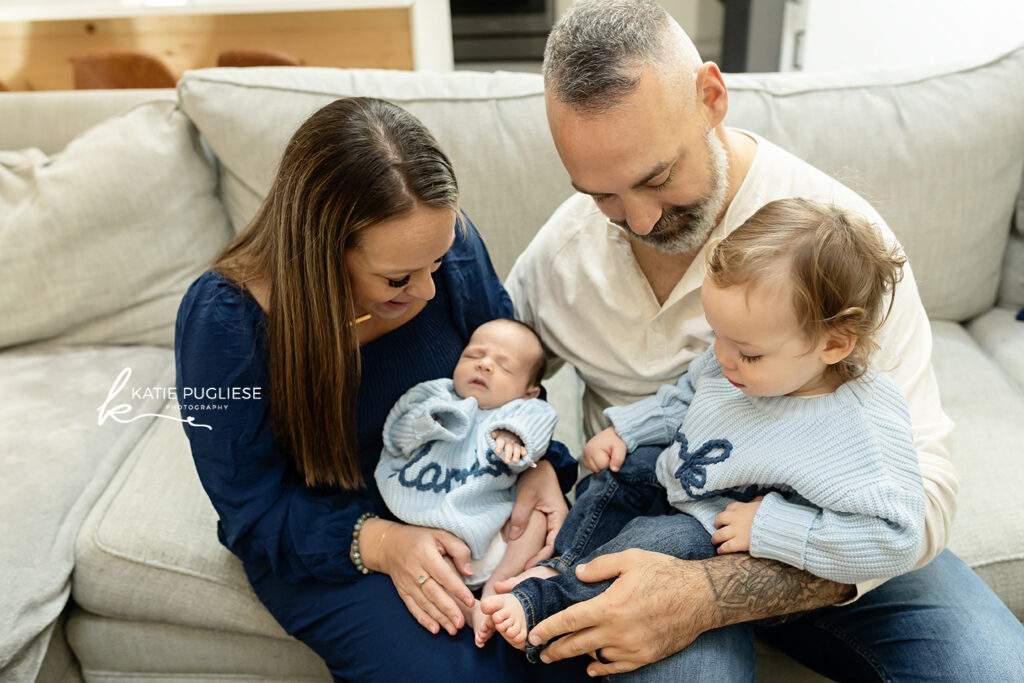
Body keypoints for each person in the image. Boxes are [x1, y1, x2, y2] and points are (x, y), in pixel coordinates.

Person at [504, 0, 1024, 679]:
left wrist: (712, 593)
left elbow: (923, 500)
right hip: (659, 527)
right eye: (601, 195)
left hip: (830, 536)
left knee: (994, 668)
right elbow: (494, 356)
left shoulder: (835, 249)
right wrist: (531, 457)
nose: (640, 219)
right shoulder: (564, 255)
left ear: (711, 97)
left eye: (658, 177)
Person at [175, 97, 589, 682]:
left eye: (438, 262)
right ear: (319, 254)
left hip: (473, 494)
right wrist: (385, 544)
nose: (426, 291)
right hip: (335, 537)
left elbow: (512, 374)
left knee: (572, 649)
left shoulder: (444, 249)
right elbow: (252, 510)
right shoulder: (225, 321)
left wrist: (535, 468)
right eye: (396, 279)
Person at [485, 198, 926, 657]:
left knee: (653, 544)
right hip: (672, 475)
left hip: (713, 527)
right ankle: (559, 565)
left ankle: (544, 605)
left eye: (748, 353)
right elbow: (685, 394)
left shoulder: (861, 426)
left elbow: (896, 539)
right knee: (612, 474)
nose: (722, 357)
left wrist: (772, 526)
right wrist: (628, 430)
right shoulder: (732, 356)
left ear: (832, 344)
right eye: (717, 334)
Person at [375, 317, 559, 647]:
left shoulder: (522, 410)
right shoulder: (435, 394)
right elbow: (396, 433)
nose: (485, 365)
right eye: (474, 355)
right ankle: (472, 610)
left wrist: (514, 434)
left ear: (529, 392)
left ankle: (499, 589)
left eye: (504, 366)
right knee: (434, 573)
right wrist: (434, 421)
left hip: (496, 534)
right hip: (432, 532)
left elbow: (540, 422)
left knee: (535, 520)